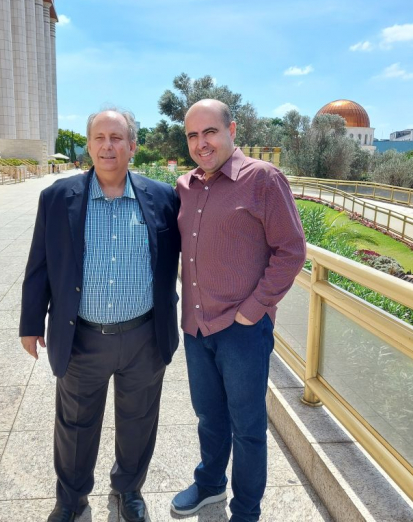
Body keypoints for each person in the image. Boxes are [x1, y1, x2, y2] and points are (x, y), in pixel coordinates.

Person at [20, 108, 181, 522]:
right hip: (80, 337)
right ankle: (71, 499)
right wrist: (30, 323)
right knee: (74, 427)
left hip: (144, 337)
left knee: (138, 422)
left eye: (116, 137)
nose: (107, 145)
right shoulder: (58, 197)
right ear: (89, 145)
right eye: (99, 137)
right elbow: (40, 262)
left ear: (132, 146)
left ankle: (128, 490)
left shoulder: (162, 198)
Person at [172, 99, 306, 522]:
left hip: (242, 330)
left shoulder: (263, 179)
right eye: (193, 135)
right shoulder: (185, 185)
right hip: (196, 326)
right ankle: (210, 484)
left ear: (232, 129)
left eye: (209, 131)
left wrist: (254, 310)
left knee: (247, 428)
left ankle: (245, 512)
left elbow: (291, 251)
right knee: (208, 415)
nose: (201, 143)